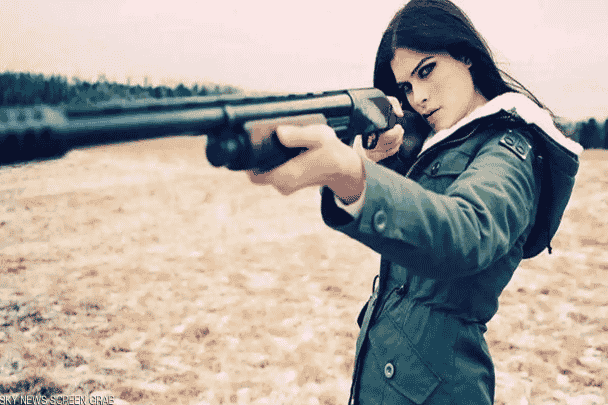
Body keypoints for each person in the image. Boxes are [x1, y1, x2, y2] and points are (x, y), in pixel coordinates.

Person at [247, 0, 582, 403]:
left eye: (426, 70)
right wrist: (374, 160)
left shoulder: (509, 148)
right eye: (405, 87)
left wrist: (352, 174)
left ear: (465, 55)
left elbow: (465, 232)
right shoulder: (439, 142)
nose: (418, 97)